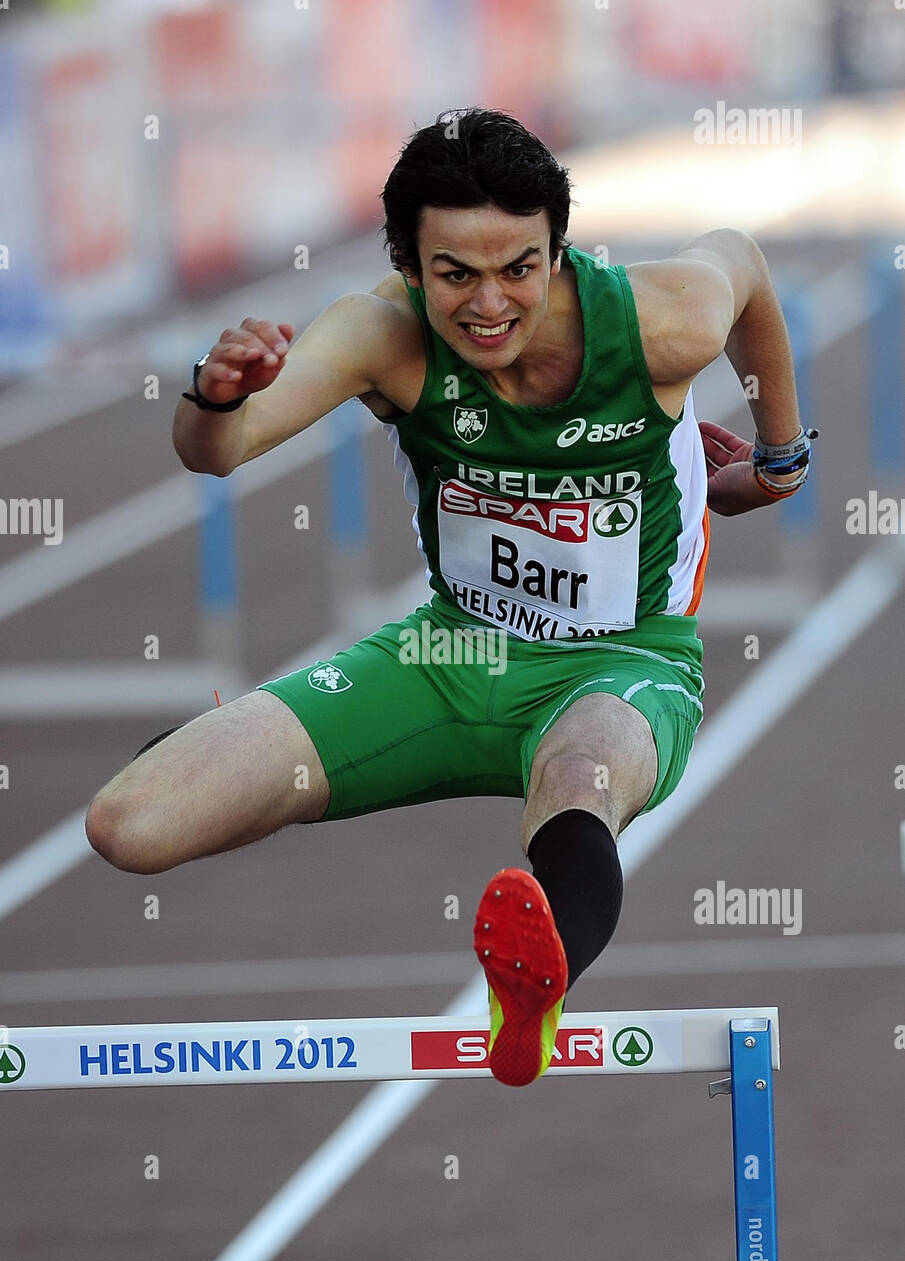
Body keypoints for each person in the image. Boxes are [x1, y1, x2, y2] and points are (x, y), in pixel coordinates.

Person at [86, 109, 815, 1087]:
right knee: (127, 828)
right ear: (404, 263)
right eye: (453, 275)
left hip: (619, 665)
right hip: (445, 659)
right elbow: (218, 452)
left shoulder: (661, 320)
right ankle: (227, 748)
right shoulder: (379, 336)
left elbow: (748, 269)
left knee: (581, 778)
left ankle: (532, 996)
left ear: (558, 249)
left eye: (518, 267)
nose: (489, 306)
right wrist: (214, 396)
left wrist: (778, 455)